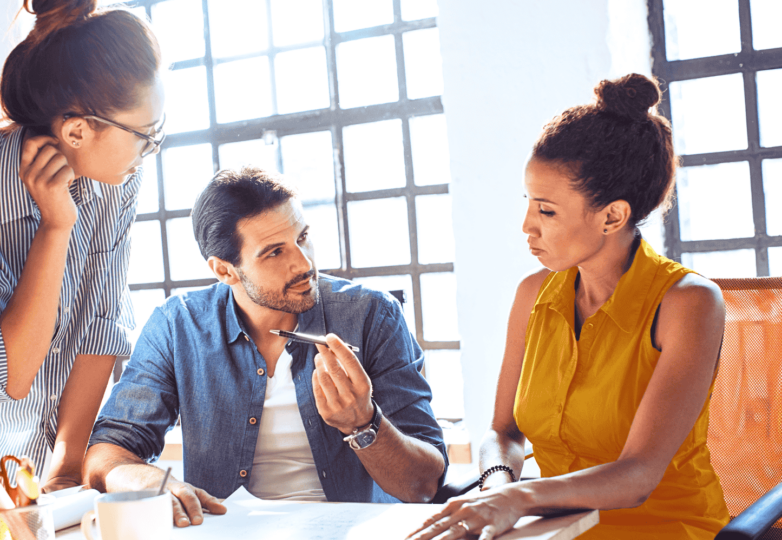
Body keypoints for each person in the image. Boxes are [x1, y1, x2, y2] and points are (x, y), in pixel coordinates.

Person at [409, 74, 729, 540]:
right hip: (553, 531)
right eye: (529, 204)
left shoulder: (689, 303)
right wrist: (498, 487)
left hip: (667, 531)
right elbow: (503, 433)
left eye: (547, 210)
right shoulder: (532, 294)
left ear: (612, 216)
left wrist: (520, 498)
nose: (526, 226)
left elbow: (639, 475)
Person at [85, 166, 449, 527]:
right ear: (225, 271)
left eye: (303, 237)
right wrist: (144, 480)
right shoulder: (177, 325)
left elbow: (423, 487)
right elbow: (104, 456)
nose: (304, 263)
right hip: (226, 532)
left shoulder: (372, 315)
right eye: (274, 252)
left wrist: (363, 423)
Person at [0, 0, 164, 492]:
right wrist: (55, 227)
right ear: (77, 131)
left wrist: (70, 465)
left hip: (57, 466)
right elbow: (10, 374)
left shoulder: (115, 180)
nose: (150, 152)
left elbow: (101, 324)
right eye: (146, 136)